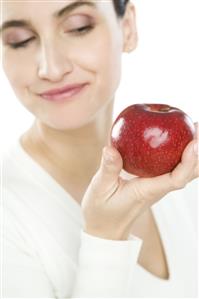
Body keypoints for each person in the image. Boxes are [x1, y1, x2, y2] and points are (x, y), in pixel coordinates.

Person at [1, 0, 198, 297]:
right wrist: (106, 237)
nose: (51, 68)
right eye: (20, 41)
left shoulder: (185, 168)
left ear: (128, 27)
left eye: (79, 27)